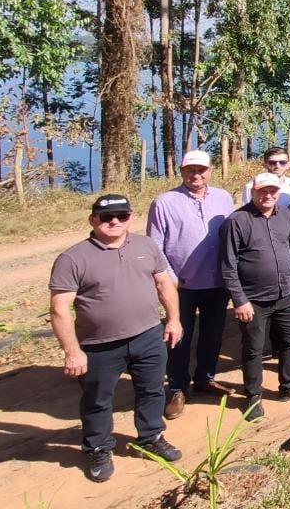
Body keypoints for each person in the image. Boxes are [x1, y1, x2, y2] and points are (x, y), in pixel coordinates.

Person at [50, 194, 184, 482]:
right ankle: (98, 447)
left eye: (121, 216)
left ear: (130, 218)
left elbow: (164, 283)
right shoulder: (73, 258)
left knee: (151, 391)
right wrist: (72, 351)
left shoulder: (145, 245)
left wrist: (173, 319)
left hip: (148, 335)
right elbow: (59, 308)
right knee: (98, 399)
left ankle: (150, 437)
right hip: (99, 345)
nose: (114, 221)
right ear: (92, 220)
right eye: (106, 217)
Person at [222, 173, 290, 421]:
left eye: (273, 191)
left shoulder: (285, 216)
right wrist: (240, 300)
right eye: (262, 191)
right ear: (253, 192)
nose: (268, 196)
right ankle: (253, 396)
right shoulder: (238, 221)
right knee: (254, 349)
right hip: (253, 300)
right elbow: (228, 266)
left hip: (286, 294)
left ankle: (289, 385)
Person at [146, 150, 236, 422]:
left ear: (211, 170)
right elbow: (155, 247)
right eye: (190, 170)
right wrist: (171, 278)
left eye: (201, 170)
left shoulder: (223, 198)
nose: (196, 175)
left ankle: (205, 378)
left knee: (213, 333)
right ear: (182, 171)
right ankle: (176, 387)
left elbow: (231, 238)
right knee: (178, 337)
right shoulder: (164, 203)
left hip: (217, 282)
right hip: (181, 285)